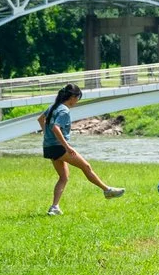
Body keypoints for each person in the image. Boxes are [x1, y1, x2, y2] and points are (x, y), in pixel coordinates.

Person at [42, 84, 124, 215]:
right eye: (77, 98)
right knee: (86, 166)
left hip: (48, 147)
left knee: (63, 177)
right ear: (72, 97)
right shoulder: (64, 110)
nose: (77, 101)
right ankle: (107, 190)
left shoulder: (53, 106)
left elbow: (41, 119)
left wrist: (47, 136)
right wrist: (66, 146)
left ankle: (54, 207)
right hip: (59, 147)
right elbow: (55, 128)